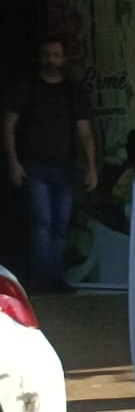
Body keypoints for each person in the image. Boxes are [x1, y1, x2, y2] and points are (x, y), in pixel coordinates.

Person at [3, 38, 97, 292]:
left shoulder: (72, 92)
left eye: (56, 54)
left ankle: (55, 279)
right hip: (34, 167)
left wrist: (91, 167)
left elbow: (85, 132)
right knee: (43, 224)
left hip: (65, 169)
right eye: (47, 54)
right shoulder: (27, 88)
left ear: (64, 59)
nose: (51, 59)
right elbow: (8, 126)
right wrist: (13, 163)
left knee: (60, 226)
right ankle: (43, 281)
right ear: (40, 57)